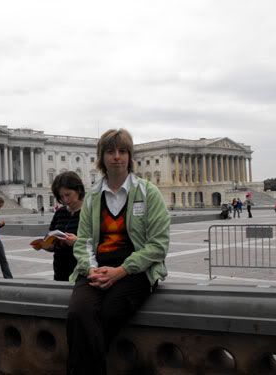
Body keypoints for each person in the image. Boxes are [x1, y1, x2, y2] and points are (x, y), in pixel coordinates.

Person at [66, 129, 170, 374]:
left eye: (123, 151)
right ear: (101, 158)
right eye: (110, 152)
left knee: (108, 312)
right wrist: (91, 269)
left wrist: (121, 271)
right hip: (97, 267)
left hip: (134, 270)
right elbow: (83, 242)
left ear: (130, 156)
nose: (117, 157)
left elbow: (158, 244)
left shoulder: (148, 193)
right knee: (77, 313)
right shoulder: (92, 197)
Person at [31, 171, 84, 281]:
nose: (65, 200)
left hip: (81, 270)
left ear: (78, 190)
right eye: (61, 196)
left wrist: (77, 241)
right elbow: (54, 244)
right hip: (60, 270)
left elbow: (97, 243)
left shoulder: (89, 212)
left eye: (68, 194)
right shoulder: (60, 212)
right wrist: (44, 245)